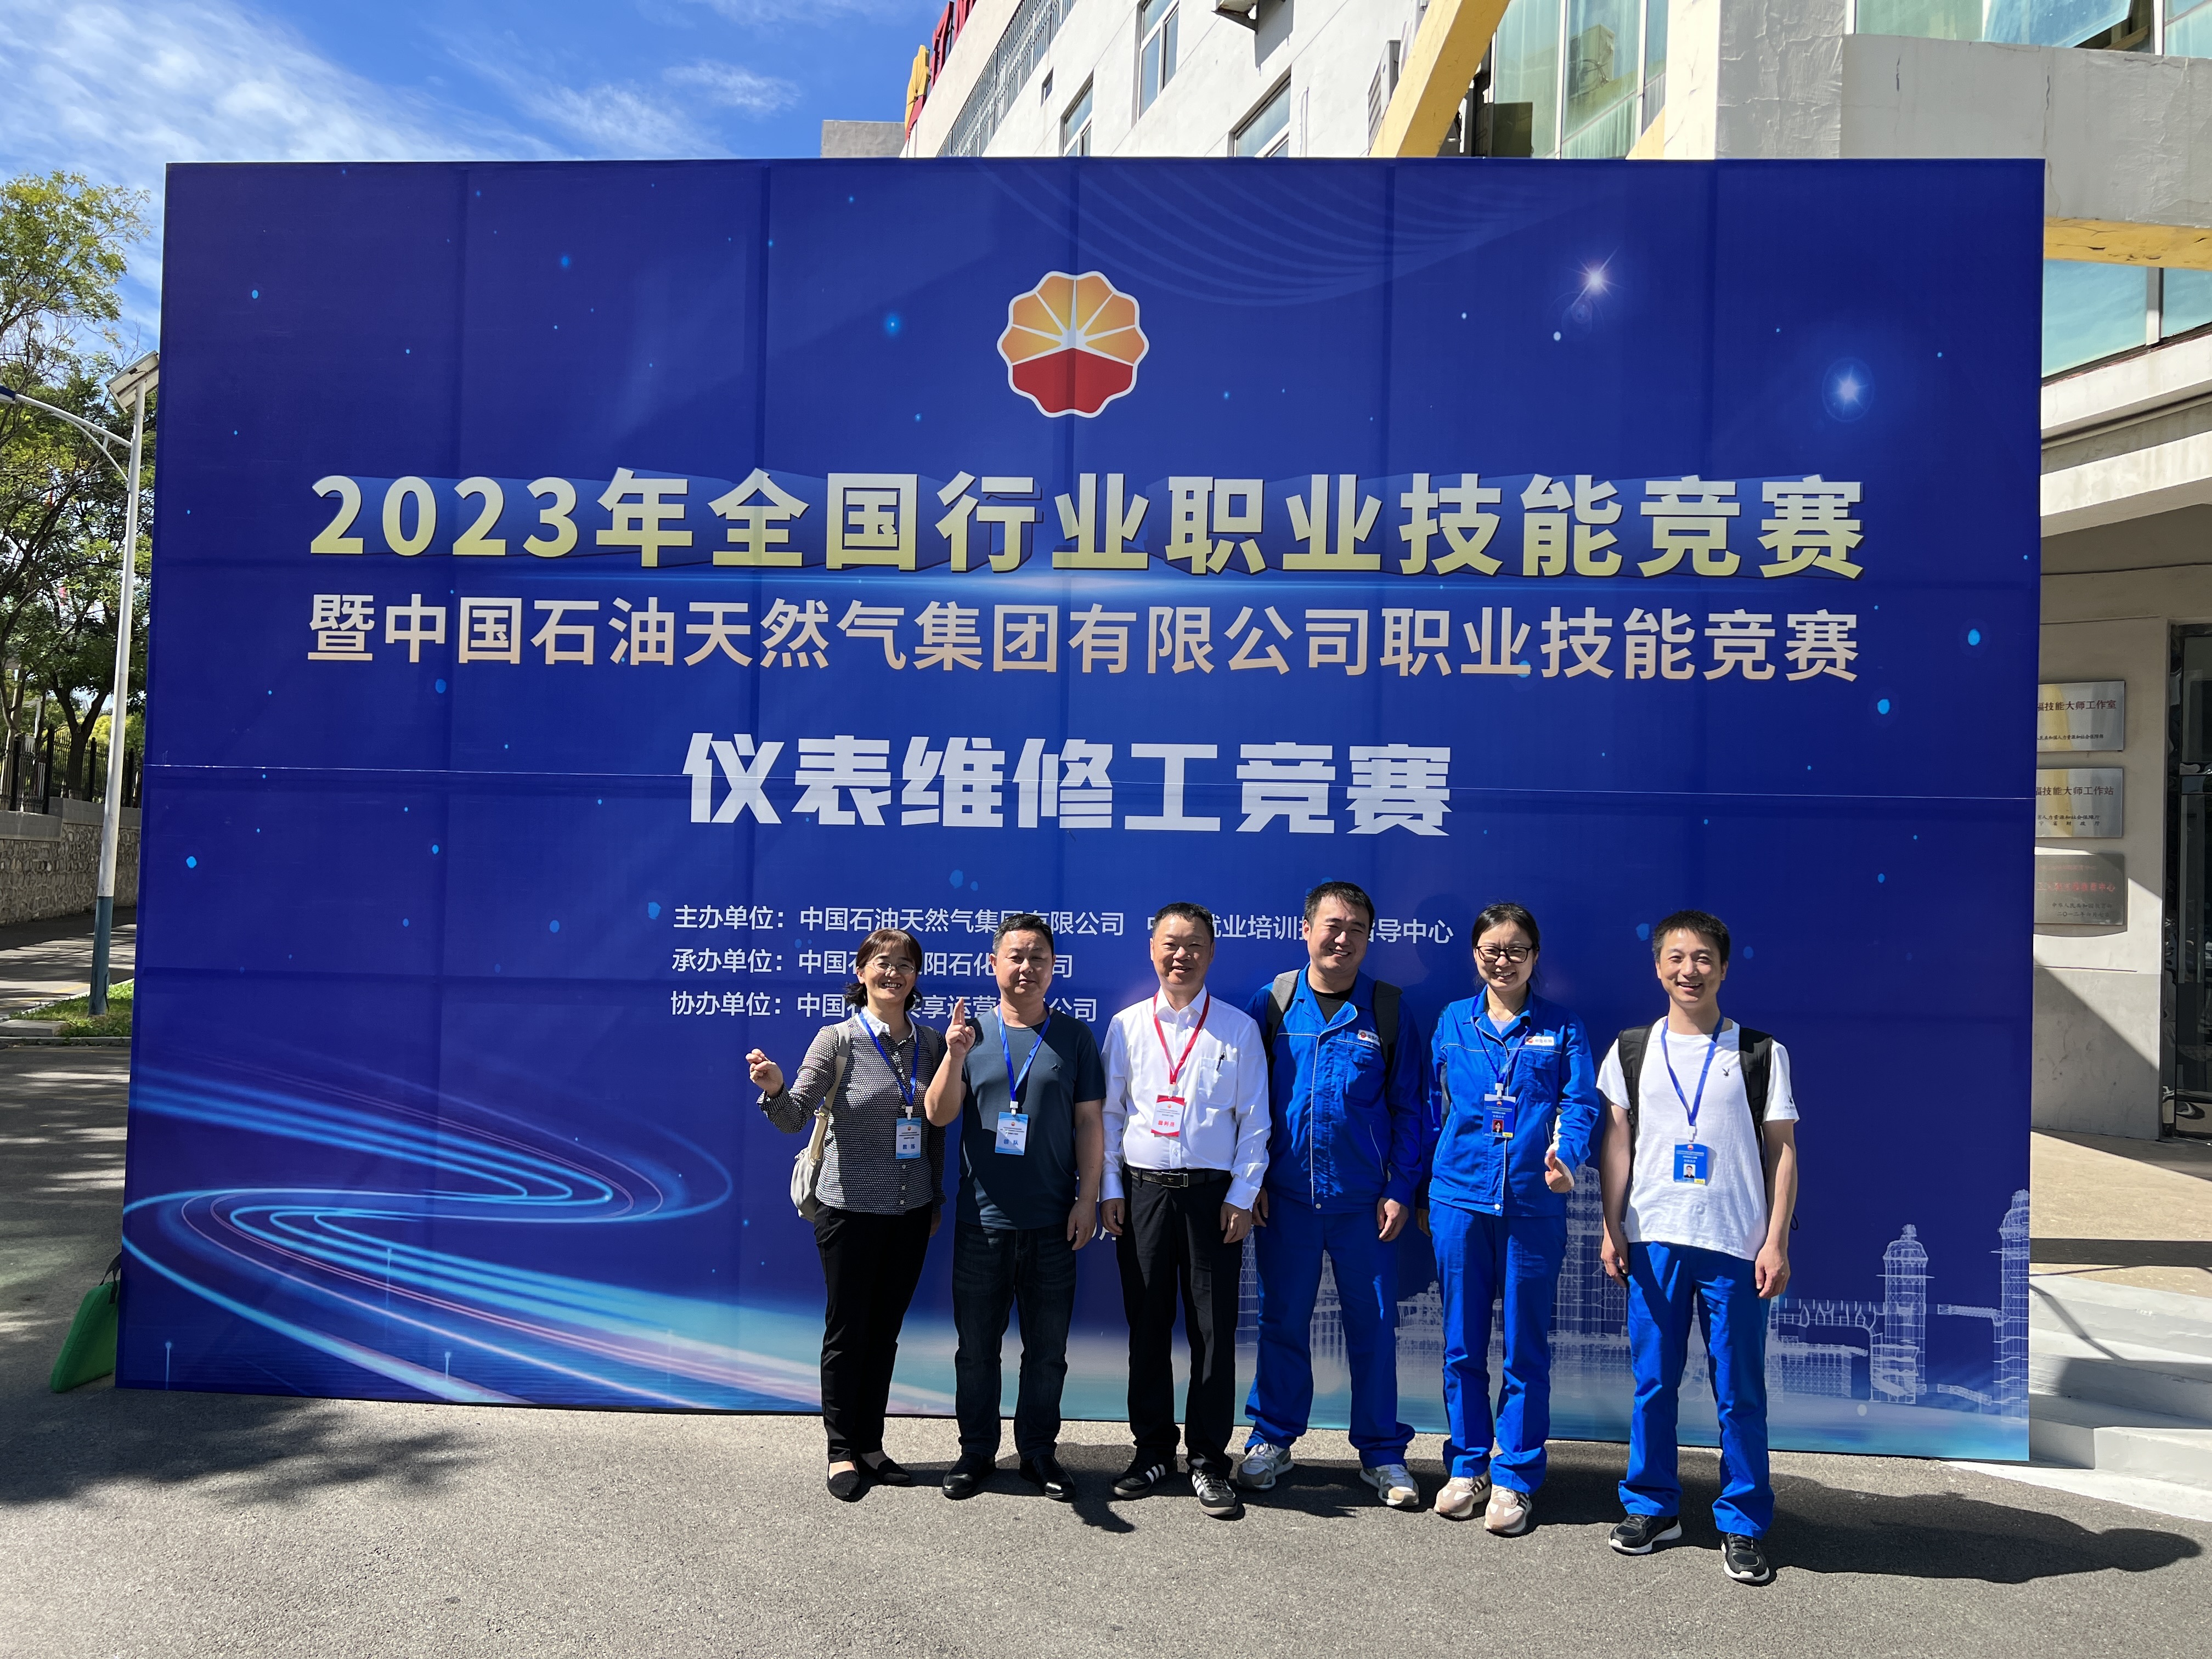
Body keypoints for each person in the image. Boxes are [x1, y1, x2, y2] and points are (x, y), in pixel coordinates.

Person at [1598, 909, 1799, 1586]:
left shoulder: (1761, 1053)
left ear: (1724, 967)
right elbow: (1618, 1143)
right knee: (1653, 1384)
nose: (1690, 970)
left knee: (1739, 1391)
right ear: (1658, 967)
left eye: (1704, 958)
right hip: (1654, 1239)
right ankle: (1652, 1506)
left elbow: (1783, 1152)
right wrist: (1611, 1224)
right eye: (1677, 958)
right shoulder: (1632, 1049)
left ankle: (1743, 1522)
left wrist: (1775, 1240)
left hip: (1735, 1243)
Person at [1236, 880, 1429, 1510]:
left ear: (1370, 938)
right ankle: (1272, 1437)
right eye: (1332, 925)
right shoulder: (1272, 1003)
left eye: (1356, 929)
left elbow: (1411, 1109)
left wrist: (1400, 1188)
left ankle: (1382, 1452)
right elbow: (1248, 1104)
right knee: (1282, 1321)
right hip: (1287, 1198)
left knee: (1373, 1327)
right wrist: (1252, 1180)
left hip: (1363, 1204)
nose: (1343, 938)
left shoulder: (1389, 1009)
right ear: (1306, 929)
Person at [751, 928, 949, 1503]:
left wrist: (935, 1198)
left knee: (884, 1333)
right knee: (848, 1332)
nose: (894, 973)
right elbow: (794, 1117)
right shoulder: (836, 1040)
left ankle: (871, 1445)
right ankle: (841, 1450)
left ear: (916, 977)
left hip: (911, 1211)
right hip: (848, 1211)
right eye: (882, 963)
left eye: (905, 965)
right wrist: (775, 1089)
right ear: (861, 973)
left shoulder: (931, 1043)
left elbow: (935, 1130)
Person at [1426, 902, 1601, 1534]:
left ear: (1535, 956)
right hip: (1459, 1200)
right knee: (1462, 1345)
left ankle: (1516, 1477)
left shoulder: (1562, 1027)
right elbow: (1433, 1104)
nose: (1503, 961)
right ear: (1475, 955)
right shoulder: (1453, 1021)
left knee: (1526, 1348)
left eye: (1516, 950)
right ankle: (1468, 1465)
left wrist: (1567, 1156)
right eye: (1492, 950)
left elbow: (1580, 1105)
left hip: (1533, 1203)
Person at [922, 913, 1107, 1503]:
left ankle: (1037, 1452)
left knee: (1047, 1353)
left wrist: (1087, 1198)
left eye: (1038, 958)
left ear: (1054, 968)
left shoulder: (1075, 1038)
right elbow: (938, 1115)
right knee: (976, 1350)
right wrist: (954, 1056)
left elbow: (1089, 1123)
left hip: (1054, 1222)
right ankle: (976, 1451)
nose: (1027, 967)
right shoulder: (969, 1034)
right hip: (982, 1223)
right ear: (994, 964)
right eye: (1016, 956)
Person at [1099, 902, 1271, 1520]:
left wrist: (1241, 1197)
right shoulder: (1126, 1027)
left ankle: (1207, 1461)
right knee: (1147, 1326)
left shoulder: (1237, 1029)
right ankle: (1151, 1452)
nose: (1182, 955)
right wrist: (1110, 1188)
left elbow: (1256, 1122)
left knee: (1213, 1333)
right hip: (1142, 1193)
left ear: (1212, 953)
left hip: (1211, 1199)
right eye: (1171, 944)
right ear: (1152, 950)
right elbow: (1111, 1115)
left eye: (1195, 944)